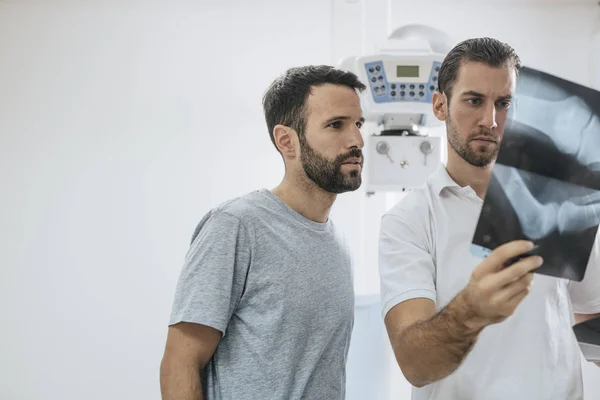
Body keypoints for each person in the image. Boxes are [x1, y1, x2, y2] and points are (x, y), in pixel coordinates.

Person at [378, 37, 600, 400]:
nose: (490, 120)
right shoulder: (409, 221)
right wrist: (472, 311)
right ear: (439, 105)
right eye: (474, 100)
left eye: (504, 103)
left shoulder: (560, 201)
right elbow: (415, 365)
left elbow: (590, 315)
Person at [160, 65, 366, 400]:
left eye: (358, 124)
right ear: (287, 141)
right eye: (336, 125)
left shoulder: (338, 243)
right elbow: (180, 362)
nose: (356, 139)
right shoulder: (236, 225)